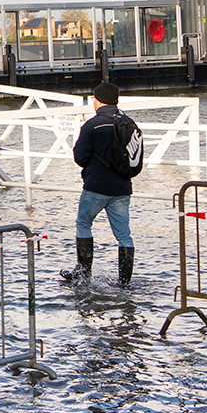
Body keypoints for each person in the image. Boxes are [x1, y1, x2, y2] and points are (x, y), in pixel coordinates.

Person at [64, 81, 144, 286]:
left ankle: (83, 273)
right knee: (124, 235)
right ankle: (125, 282)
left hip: (96, 187)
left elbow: (80, 157)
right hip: (122, 188)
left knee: (84, 223)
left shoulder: (92, 125)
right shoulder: (128, 123)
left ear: (97, 101)